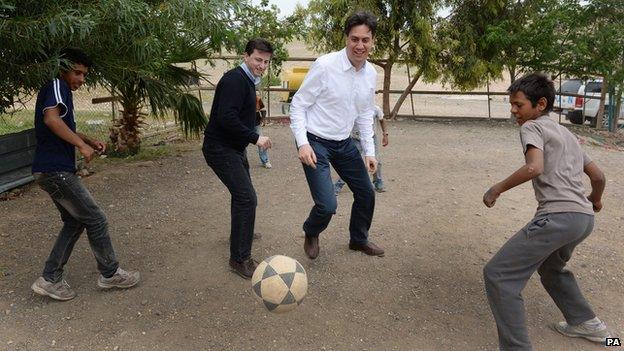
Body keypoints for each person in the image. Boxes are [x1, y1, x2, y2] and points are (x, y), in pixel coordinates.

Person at [482, 73, 613, 350]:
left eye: (518, 105)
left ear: (540, 104)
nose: (514, 111)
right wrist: (595, 201)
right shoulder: (567, 133)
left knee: (499, 275)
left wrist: (497, 189)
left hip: (557, 217)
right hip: (583, 220)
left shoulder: (532, 128)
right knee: (551, 267)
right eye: (512, 105)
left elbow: (534, 167)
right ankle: (587, 324)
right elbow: (599, 176)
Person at [30, 48, 140, 301]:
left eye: (84, 75)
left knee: (75, 221)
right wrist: (81, 145)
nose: (81, 79)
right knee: (96, 219)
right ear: (63, 68)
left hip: (51, 170)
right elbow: (51, 120)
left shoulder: (62, 90)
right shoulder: (57, 85)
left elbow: (63, 125)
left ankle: (50, 278)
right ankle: (110, 273)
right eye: (77, 73)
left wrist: (88, 139)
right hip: (55, 170)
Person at [289, 11, 384, 260]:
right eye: (355, 39)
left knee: (366, 193)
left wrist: (369, 152)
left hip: (343, 143)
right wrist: (303, 144)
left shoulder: (371, 74)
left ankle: (358, 239)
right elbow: (298, 105)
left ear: (373, 41)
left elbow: (364, 114)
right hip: (315, 142)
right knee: (327, 205)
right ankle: (311, 231)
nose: (359, 45)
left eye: (365, 40)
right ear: (346, 38)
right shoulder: (325, 65)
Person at [202, 39, 273, 279]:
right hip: (220, 148)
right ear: (246, 57)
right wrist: (255, 137)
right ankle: (239, 259)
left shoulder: (248, 80)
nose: (262, 65)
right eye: (257, 60)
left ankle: (240, 235)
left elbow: (239, 114)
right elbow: (226, 118)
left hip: (233, 148)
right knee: (246, 198)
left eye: (266, 61)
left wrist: (254, 122)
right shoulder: (235, 80)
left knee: (243, 196)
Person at [334, 105, 388, 194]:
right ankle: (338, 185)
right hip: (355, 139)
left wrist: (385, 134)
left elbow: (382, 120)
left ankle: (378, 182)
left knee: (376, 160)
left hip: (370, 138)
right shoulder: (351, 108)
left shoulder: (375, 109)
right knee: (350, 163)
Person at [255, 95, 272, 169]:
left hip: (256, 124)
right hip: (244, 124)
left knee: (262, 142)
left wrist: (263, 119)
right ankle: (241, 162)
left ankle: (265, 160)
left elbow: (263, 109)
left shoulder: (257, 98)